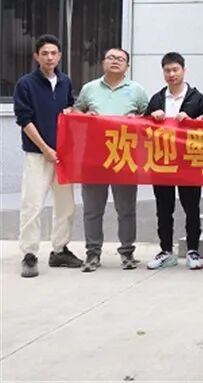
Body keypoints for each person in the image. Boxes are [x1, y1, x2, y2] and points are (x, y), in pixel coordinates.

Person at [73, 47, 149, 273]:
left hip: (124, 156)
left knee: (126, 209)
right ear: (103, 62)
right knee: (92, 209)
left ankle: (127, 252)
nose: (115, 61)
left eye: (120, 59)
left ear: (127, 65)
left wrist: (138, 118)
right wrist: (85, 116)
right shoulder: (89, 88)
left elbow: (150, 119)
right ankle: (92, 253)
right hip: (94, 158)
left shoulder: (137, 90)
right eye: (111, 58)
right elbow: (74, 113)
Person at [13, 34, 81, 278]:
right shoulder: (25, 84)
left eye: (53, 53)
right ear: (36, 56)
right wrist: (45, 149)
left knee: (66, 206)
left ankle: (60, 250)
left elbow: (69, 108)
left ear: (60, 56)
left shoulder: (65, 82)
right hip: (37, 155)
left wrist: (74, 111)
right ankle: (29, 254)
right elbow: (24, 120)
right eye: (44, 53)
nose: (49, 57)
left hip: (63, 156)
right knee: (32, 204)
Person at [145, 52, 203, 271]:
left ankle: (193, 250)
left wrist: (196, 120)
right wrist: (151, 116)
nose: (172, 74)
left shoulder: (197, 98)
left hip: (189, 161)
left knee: (191, 208)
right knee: (164, 209)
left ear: (184, 70)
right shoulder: (157, 98)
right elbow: (142, 128)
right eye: (167, 70)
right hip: (162, 161)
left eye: (175, 70)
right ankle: (166, 251)